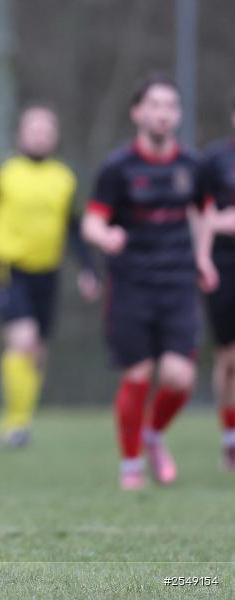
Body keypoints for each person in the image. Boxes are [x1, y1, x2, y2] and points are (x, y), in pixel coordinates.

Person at [82, 73, 215, 490]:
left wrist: (203, 256)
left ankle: (153, 435)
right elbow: (91, 221)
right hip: (131, 285)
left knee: (180, 378)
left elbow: (203, 214)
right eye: (154, 105)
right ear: (137, 112)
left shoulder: (193, 166)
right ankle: (131, 465)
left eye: (170, 106)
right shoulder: (117, 168)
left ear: (177, 115)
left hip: (176, 283)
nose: (163, 113)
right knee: (137, 375)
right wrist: (107, 236)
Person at [0, 104, 99, 447]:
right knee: (22, 339)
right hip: (7, 267)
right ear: (21, 133)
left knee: (37, 352)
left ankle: (22, 420)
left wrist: (88, 270)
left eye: (46, 129)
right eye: (33, 129)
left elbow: (75, 227)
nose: (40, 135)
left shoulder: (64, 177)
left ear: (55, 136)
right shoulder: (3, 172)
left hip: (47, 272)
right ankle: (14, 424)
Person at [196, 86, 235, 471]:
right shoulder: (215, 161)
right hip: (224, 264)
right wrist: (202, 257)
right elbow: (199, 214)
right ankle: (229, 437)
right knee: (228, 359)